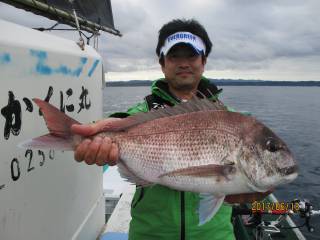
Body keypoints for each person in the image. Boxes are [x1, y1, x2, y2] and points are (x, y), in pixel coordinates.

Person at [71, 19, 270, 240]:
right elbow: (122, 121)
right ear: (163, 63)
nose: (184, 63)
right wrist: (101, 138)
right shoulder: (143, 112)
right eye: (175, 56)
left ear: (203, 62)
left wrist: (263, 187)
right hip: (150, 234)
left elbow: (257, 177)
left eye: (191, 55)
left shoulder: (233, 120)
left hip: (215, 235)